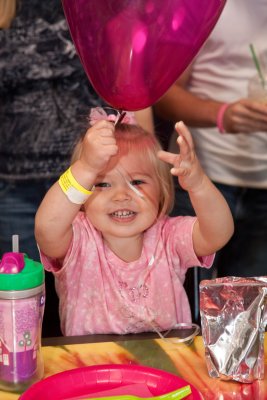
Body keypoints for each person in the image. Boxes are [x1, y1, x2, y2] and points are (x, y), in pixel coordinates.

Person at [0, 0, 154, 337]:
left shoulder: (105, 6)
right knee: (22, 309)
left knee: (103, 300)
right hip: (15, 186)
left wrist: (147, 176)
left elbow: (133, 82)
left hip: (103, 183)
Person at [34, 108, 234, 336]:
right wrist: (86, 168)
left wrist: (198, 184)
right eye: (103, 184)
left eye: (137, 182)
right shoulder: (78, 237)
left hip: (164, 365)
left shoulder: (169, 236)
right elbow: (46, 229)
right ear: (83, 193)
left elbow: (219, 233)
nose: (121, 196)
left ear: (162, 190)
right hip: (92, 366)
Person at [154, 0, 267, 279]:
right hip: (201, 175)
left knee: (250, 308)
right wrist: (221, 115)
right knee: (186, 299)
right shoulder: (196, 5)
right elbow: (163, 94)